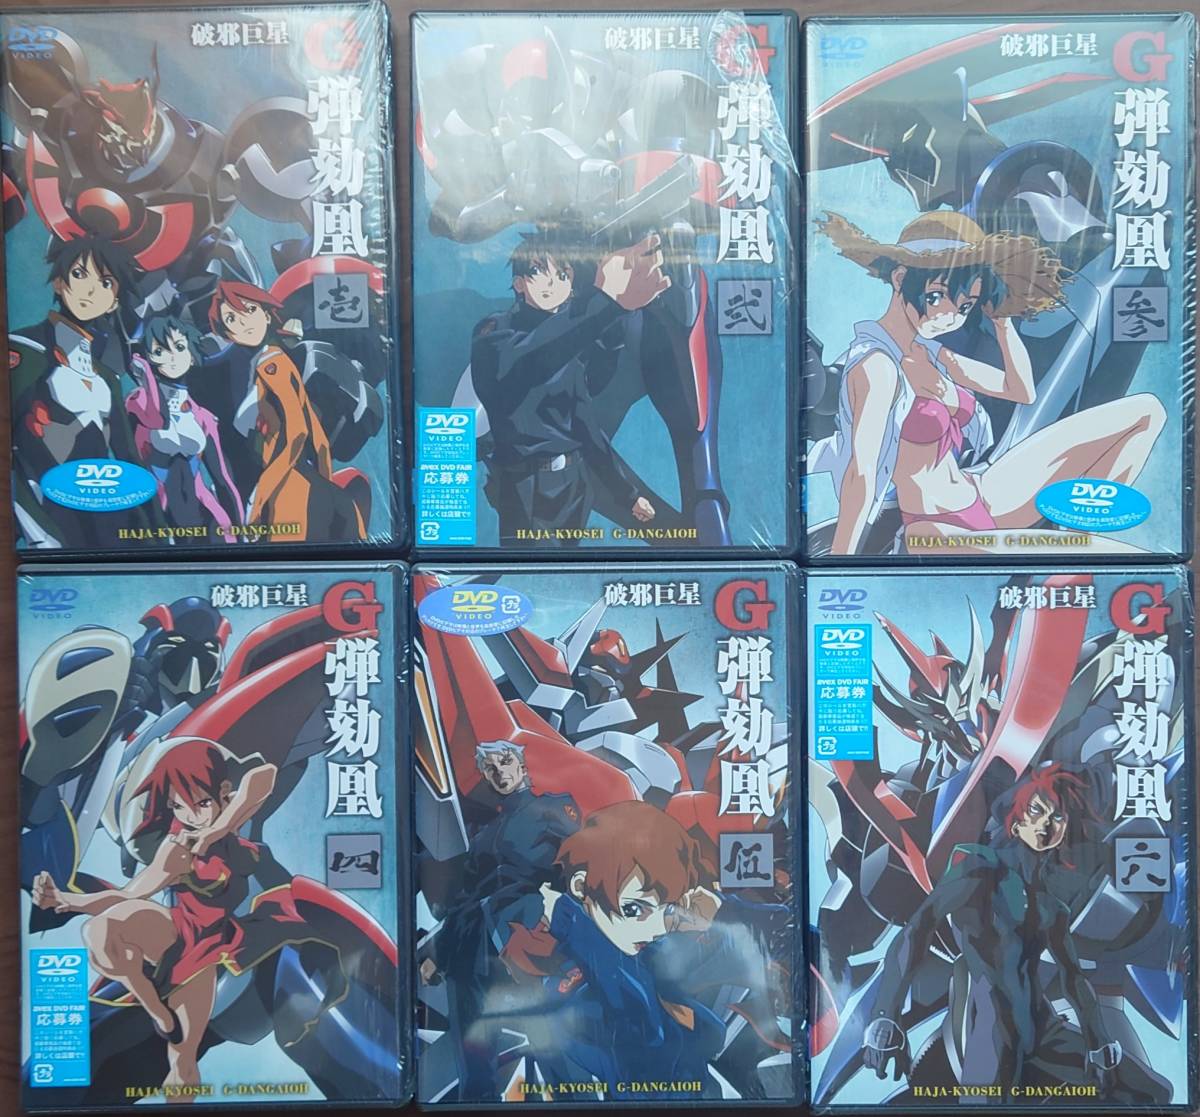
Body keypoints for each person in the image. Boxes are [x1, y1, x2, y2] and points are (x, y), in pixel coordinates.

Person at [809, 211, 1165, 555]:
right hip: (933, 528)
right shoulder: (876, 366)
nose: (949, 317)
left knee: (1146, 413)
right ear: (901, 279)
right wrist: (842, 564)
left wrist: (1002, 322)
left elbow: (1020, 390)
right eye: (937, 297)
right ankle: (1073, 554)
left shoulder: (929, 351)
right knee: (1106, 553)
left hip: (982, 490)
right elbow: (862, 474)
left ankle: (1075, 535)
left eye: (965, 306)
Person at [862, 764, 1170, 1103]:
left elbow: (1072, 978)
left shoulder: (1051, 905)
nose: (1046, 824)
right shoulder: (978, 869)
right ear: (1017, 820)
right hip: (993, 1029)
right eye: (1037, 811)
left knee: (1154, 1093)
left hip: (1044, 1029)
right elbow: (918, 929)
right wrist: (885, 1017)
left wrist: (1099, 1042)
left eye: (1057, 817)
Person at [472, 230, 663, 545]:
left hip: (574, 485)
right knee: (532, 567)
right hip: (525, 484)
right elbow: (535, 354)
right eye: (539, 271)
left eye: (563, 275)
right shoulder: (495, 333)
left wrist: (627, 495)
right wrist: (605, 303)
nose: (553, 282)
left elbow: (587, 429)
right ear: (519, 283)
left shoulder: (570, 348)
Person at [419, 741, 579, 1100]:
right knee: (475, 1060)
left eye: (505, 762)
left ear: (521, 765)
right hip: (469, 951)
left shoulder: (551, 809)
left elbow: (578, 867)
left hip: (525, 938)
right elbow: (464, 899)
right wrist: (438, 954)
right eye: (490, 768)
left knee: (549, 1045)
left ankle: (573, 1103)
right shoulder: (483, 836)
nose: (500, 772)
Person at [10, 233, 150, 548]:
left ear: (114, 300)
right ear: (59, 282)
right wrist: (38, 533)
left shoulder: (106, 377)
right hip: (48, 516)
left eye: (105, 283)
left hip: (106, 517)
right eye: (79, 274)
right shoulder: (26, 349)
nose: (90, 289)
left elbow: (129, 458)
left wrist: (154, 531)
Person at [208, 280, 368, 542]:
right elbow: (319, 440)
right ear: (226, 332)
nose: (242, 322)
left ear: (266, 313)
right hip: (309, 485)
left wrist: (260, 497)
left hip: (287, 488)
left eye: (249, 310)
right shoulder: (275, 359)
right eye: (231, 319)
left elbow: (299, 432)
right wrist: (324, 486)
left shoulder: (271, 365)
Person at [127, 312, 243, 541]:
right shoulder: (137, 401)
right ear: (149, 358)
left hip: (204, 516)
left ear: (191, 356)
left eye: (179, 347)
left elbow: (222, 478)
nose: (171, 357)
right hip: (159, 516)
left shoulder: (203, 417)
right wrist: (147, 376)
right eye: (159, 351)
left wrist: (241, 533)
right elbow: (158, 419)